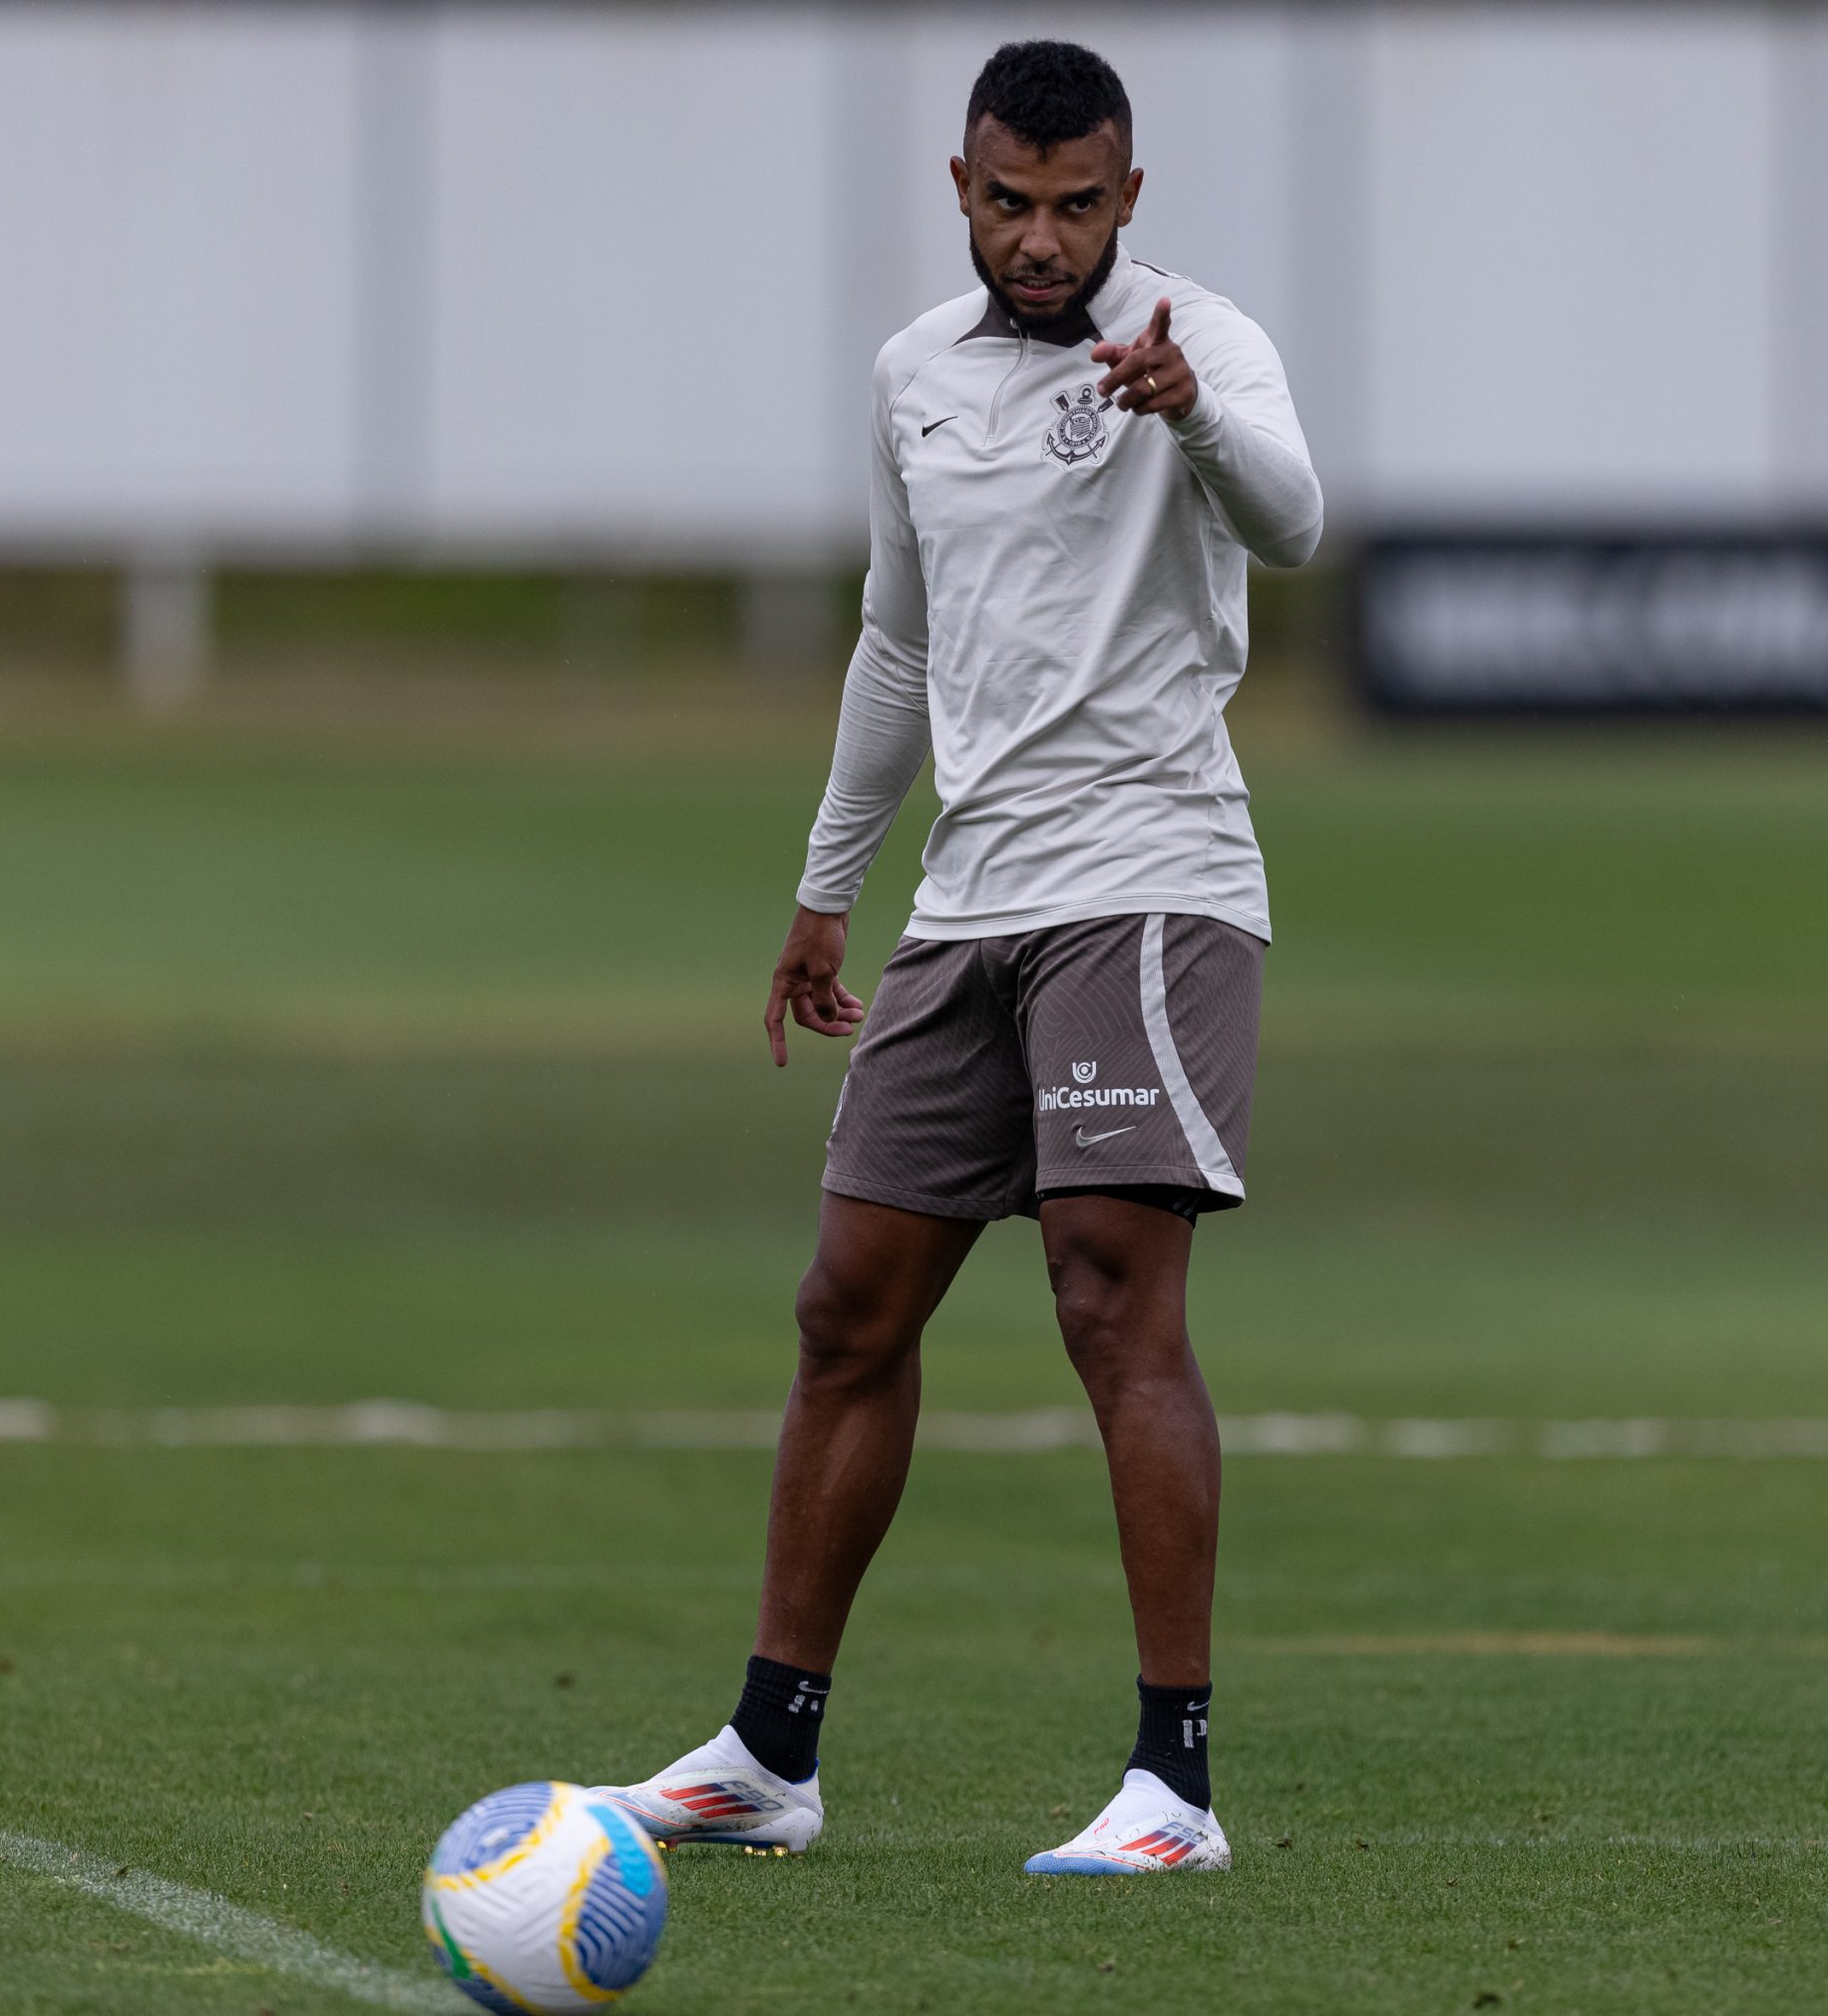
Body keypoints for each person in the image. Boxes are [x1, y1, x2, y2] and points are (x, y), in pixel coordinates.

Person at [592, 39, 1320, 1876]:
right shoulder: (914, 372)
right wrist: (831, 883)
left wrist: (1189, 419)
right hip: (969, 899)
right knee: (850, 1307)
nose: (1044, 238)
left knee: (1104, 1293)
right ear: (963, 183)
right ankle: (771, 1752)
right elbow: (898, 644)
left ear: (1130, 199)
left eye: (1080, 206)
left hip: (1147, 877)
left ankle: (1175, 1785)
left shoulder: (1198, 343)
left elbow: (1297, 522)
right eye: (1012, 201)